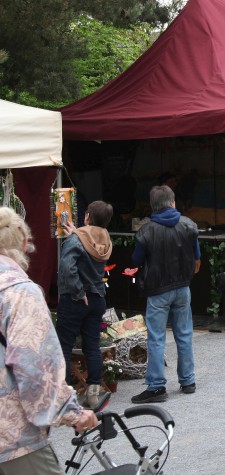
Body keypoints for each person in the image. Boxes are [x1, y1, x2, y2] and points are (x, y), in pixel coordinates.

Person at [0, 208, 99, 474]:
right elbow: (33, 365)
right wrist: (72, 413)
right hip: (12, 438)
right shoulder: (19, 293)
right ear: (24, 243)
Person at [131, 184, 200, 404]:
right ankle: (188, 380)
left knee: (156, 338)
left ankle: (157, 386)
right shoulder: (188, 225)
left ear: (153, 206)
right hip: (183, 287)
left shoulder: (146, 231)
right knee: (184, 334)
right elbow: (197, 256)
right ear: (173, 202)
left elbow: (136, 260)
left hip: (158, 290)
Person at [55, 200, 114, 411]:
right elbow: (88, 241)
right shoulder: (105, 238)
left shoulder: (76, 239)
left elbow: (67, 268)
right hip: (97, 298)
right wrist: (76, 233)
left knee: (63, 345)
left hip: (76, 299)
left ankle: (64, 396)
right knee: (92, 345)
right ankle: (93, 394)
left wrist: (79, 292)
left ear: (87, 216)